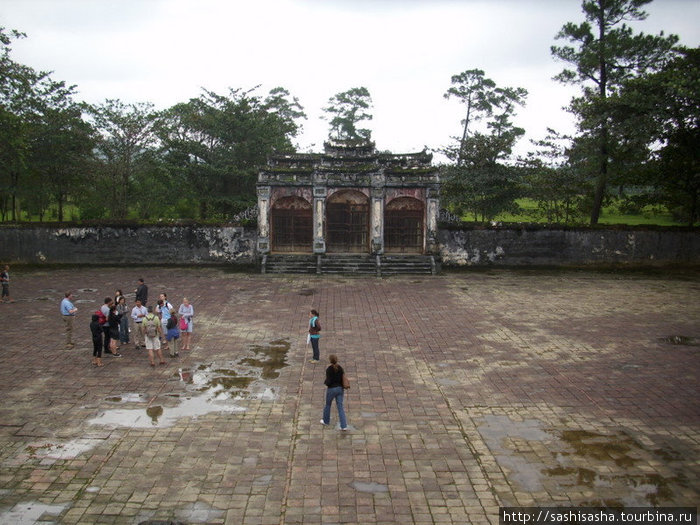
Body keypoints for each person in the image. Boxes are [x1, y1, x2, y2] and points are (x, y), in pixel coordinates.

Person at [320, 354, 348, 431]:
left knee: (328, 405)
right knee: (340, 407)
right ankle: (344, 425)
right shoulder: (340, 368)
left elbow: (328, 382)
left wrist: (325, 382)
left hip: (332, 389)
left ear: (330, 361)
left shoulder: (329, 369)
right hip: (340, 389)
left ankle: (326, 421)